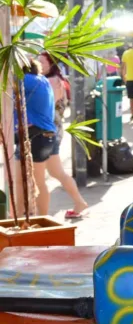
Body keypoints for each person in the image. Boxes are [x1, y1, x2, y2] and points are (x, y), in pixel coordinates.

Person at [38, 53, 88, 219]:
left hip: (48, 132)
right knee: (56, 172)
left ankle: (38, 214)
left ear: (51, 64)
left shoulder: (52, 81)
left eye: (41, 61)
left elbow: (45, 106)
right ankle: (79, 202)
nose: (38, 64)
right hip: (50, 131)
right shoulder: (52, 80)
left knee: (41, 175)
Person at [14, 58, 57, 217]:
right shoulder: (40, 80)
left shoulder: (27, 80)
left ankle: (39, 219)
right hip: (41, 135)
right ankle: (22, 217)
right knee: (25, 181)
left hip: (37, 136)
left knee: (33, 182)